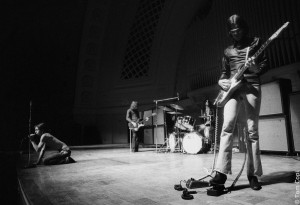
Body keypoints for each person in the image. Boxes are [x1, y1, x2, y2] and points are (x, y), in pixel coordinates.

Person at [209, 14, 269, 190]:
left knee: (252, 130)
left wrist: (255, 67)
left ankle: (253, 174)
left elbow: (264, 65)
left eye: (238, 30)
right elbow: (223, 72)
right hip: (232, 88)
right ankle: (221, 172)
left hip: (252, 85)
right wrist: (221, 81)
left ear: (244, 28)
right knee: (227, 126)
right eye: (232, 31)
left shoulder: (256, 43)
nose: (236, 33)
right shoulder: (228, 51)